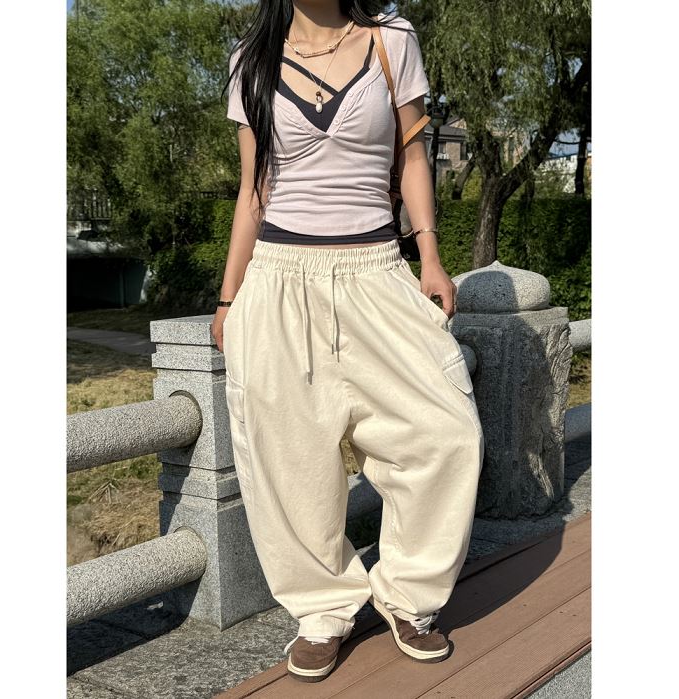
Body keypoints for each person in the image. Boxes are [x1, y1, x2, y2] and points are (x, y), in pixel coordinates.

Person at [214, 1, 484, 683]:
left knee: (445, 431)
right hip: (278, 276)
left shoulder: (392, 39)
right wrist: (227, 298)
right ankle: (322, 611)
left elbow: (413, 155)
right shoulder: (251, 58)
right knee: (290, 454)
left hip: (375, 269)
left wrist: (430, 257)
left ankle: (409, 594)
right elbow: (253, 190)